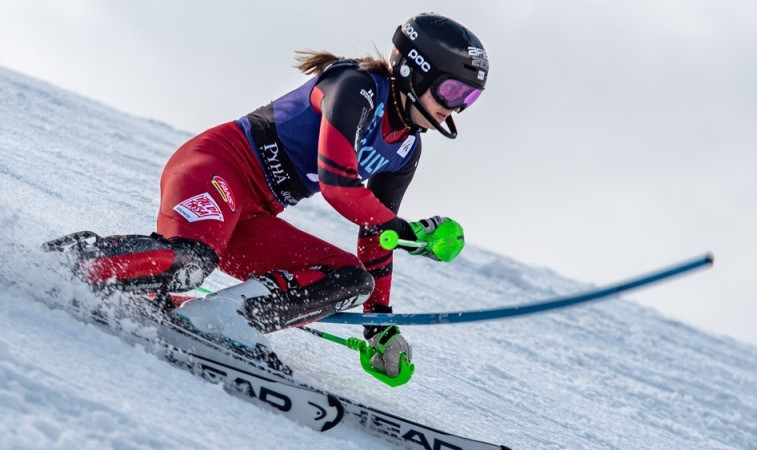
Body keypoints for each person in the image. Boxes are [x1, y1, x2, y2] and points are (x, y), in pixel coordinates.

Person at [68, 13, 489, 378]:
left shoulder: (405, 150)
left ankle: (223, 319)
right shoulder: (356, 87)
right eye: (453, 91)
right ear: (415, 70)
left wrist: (378, 323)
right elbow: (337, 182)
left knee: (351, 279)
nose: (456, 107)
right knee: (191, 264)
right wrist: (406, 229)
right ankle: (71, 267)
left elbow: (375, 234)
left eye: (468, 98)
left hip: (251, 216)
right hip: (217, 170)